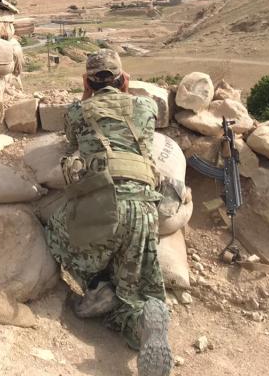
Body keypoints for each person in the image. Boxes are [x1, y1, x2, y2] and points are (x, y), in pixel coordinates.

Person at [45, 49, 173, 376]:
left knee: (55, 231)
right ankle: (142, 320)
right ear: (124, 79)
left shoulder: (77, 112)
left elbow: (72, 141)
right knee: (137, 289)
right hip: (144, 208)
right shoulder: (146, 107)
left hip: (99, 207)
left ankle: (97, 285)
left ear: (86, 82)